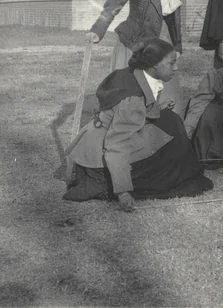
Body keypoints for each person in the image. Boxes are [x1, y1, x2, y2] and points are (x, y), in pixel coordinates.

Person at [64, 38, 213, 210]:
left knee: (170, 121)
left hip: (97, 143)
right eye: (172, 63)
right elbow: (117, 144)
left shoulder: (135, 73)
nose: (176, 68)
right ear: (154, 64)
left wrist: (157, 107)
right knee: (173, 144)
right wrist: (123, 191)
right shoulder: (132, 99)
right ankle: (106, 183)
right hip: (99, 159)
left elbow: (124, 113)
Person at [85, 0, 186, 108]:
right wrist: (97, 29)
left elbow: (173, 15)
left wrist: (177, 45)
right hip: (136, 44)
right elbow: (114, 4)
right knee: (133, 97)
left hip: (163, 42)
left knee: (166, 98)